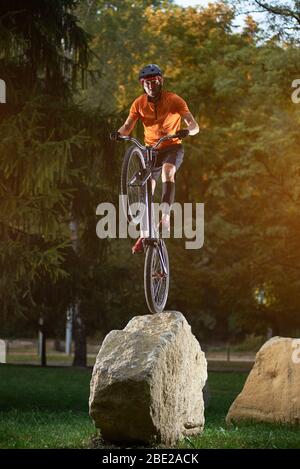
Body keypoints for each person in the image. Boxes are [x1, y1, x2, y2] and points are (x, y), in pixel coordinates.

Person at [111, 64, 199, 253]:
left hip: (172, 146)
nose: (150, 85)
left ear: (160, 81)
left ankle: (165, 216)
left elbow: (194, 124)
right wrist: (118, 134)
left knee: (168, 171)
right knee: (147, 187)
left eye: (154, 81)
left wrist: (187, 131)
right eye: (146, 82)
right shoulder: (138, 104)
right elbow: (127, 126)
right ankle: (144, 234)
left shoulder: (174, 100)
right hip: (150, 150)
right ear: (142, 84)